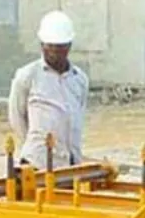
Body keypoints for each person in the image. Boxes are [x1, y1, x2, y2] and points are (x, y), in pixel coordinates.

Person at [8, 10, 89, 170]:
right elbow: (17, 117)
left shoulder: (79, 79)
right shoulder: (27, 76)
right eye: (49, 47)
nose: (54, 53)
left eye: (59, 48)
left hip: (70, 164)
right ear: (42, 45)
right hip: (38, 164)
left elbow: (78, 114)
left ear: (68, 47)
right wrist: (36, 148)